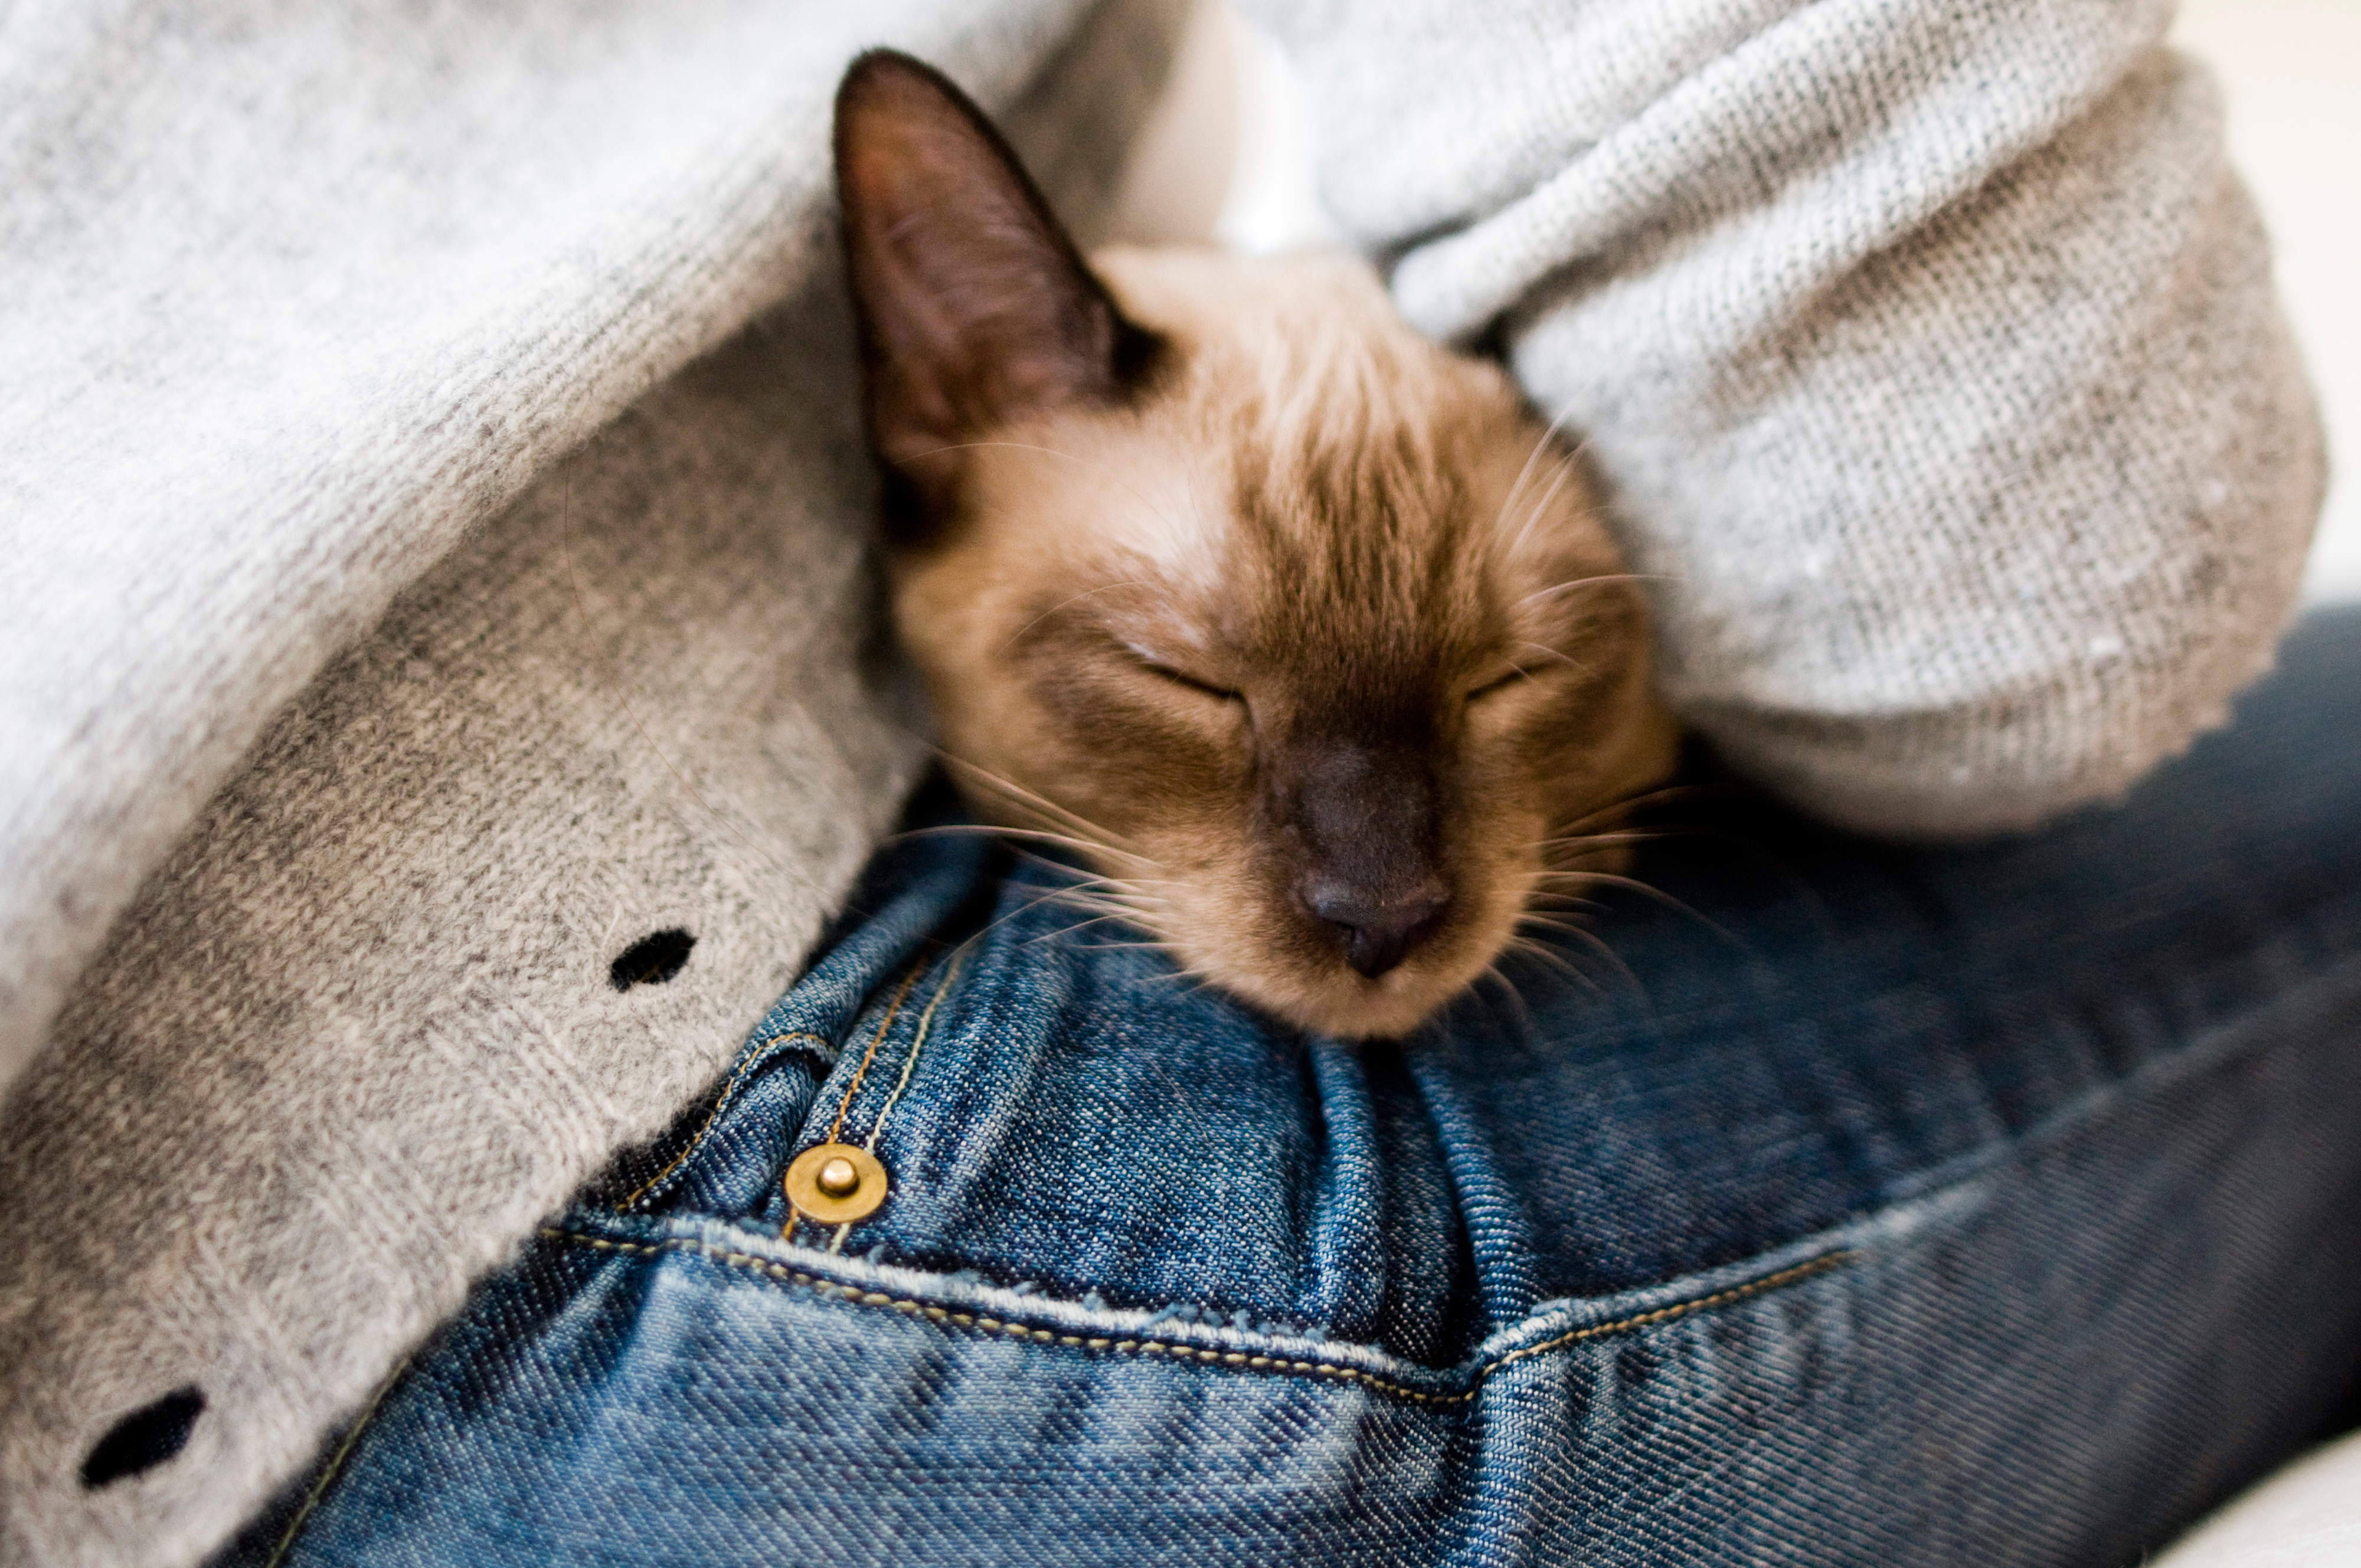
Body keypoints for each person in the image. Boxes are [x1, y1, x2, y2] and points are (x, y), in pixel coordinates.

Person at [0, 0, 2343, 1563]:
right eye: (1187, 687)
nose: (1380, 888)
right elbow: (2049, 591)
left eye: (1506, 675)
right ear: (938, 374)